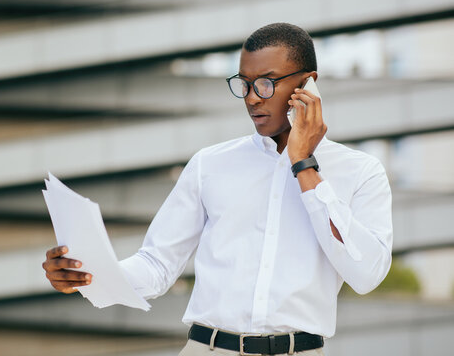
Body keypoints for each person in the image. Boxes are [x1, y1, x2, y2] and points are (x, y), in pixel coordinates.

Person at [42, 23, 393, 356]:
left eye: (267, 83)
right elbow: (157, 264)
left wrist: (303, 163)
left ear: (308, 84)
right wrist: (89, 274)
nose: (253, 99)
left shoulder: (361, 172)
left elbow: (366, 275)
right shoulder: (209, 164)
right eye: (245, 83)